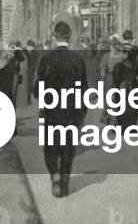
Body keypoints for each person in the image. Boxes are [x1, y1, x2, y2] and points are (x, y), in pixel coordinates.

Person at [36, 21, 87, 198]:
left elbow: (38, 89)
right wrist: (81, 112)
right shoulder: (77, 59)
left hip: (51, 112)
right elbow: (83, 89)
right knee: (68, 148)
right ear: (69, 36)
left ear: (54, 36)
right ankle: (64, 181)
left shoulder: (46, 59)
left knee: (50, 147)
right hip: (71, 113)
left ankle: (54, 173)